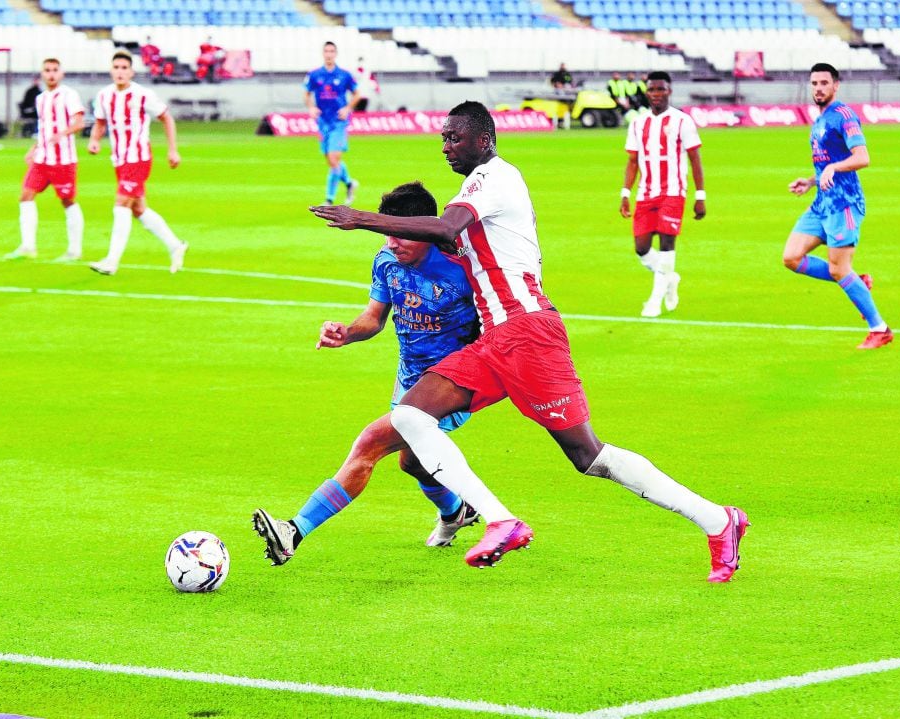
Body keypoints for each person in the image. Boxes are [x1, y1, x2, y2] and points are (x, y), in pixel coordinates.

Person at [310, 101, 749, 582]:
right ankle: (500, 520)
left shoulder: (493, 177)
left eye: (454, 138)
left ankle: (717, 519)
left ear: (484, 140)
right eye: (443, 139)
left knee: (588, 456)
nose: (446, 147)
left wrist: (364, 218)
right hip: (495, 339)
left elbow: (446, 229)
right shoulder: (475, 187)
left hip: (529, 332)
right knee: (410, 416)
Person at [253, 182, 482, 565]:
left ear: (425, 229)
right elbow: (374, 318)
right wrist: (346, 332)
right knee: (411, 461)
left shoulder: (463, 271)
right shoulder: (387, 260)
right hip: (409, 379)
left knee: (370, 444)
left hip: (452, 385)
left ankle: (293, 530)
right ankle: (457, 511)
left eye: (401, 234)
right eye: (386, 232)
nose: (392, 242)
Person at [782, 63, 892, 350]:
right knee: (791, 258)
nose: (818, 88)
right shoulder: (819, 120)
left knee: (838, 269)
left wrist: (832, 167)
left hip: (845, 204)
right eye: (814, 83)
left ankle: (879, 329)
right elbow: (827, 167)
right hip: (822, 203)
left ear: (835, 85)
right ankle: (857, 281)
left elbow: (862, 157)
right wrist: (810, 181)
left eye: (824, 83)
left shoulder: (844, 115)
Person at [87, 50, 188, 276]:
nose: (120, 72)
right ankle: (176, 246)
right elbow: (100, 123)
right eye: (117, 67)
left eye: (125, 68)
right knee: (139, 209)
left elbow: (166, 117)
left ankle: (111, 262)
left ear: (131, 72)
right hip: (120, 160)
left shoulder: (143, 95)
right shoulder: (104, 95)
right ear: (111, 70)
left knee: (121, 204)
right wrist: (94, 140)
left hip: (138, 157)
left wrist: (173, 150)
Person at [619, 71, 706, 318]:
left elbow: (695, 159)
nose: (656, 94)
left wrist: (700, 196)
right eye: (652, 90)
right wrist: (625, 192)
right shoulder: (638, 123)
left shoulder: (682, 121)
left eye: (661, 89)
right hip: (646, 194)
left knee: (667, 243)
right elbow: (632, 161)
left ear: (669, 91)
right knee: (641, 248)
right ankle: (670, 277)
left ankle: (654, 301)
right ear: (646, 93)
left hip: (673, 192)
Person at [5, 58, 86, 263]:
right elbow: (43, 129)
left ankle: (74, 251)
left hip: (63, 160)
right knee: (25, 195)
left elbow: (80, 122)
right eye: (47, 70)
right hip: (42, 159)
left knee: (67, 200)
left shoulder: (69, 95)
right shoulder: (41, 98)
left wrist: (62, 133)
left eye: (55, 70)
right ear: (42, 74)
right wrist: (33, 148)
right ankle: (28, 247)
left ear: (61, 73)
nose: (51, 74)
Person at [304, 41, 361, 206]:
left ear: (336, 54)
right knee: (331, 161)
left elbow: (357, 94)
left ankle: (329, 199)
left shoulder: (344, 75)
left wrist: (348, 108)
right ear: (323, 53)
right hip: (323, 122)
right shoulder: (315, 75)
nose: (329, 54)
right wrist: (311, 107)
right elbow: (306, 94)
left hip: (338, 122)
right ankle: (350, 183)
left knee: (333, 158)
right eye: (326, 51)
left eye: (332, 51)